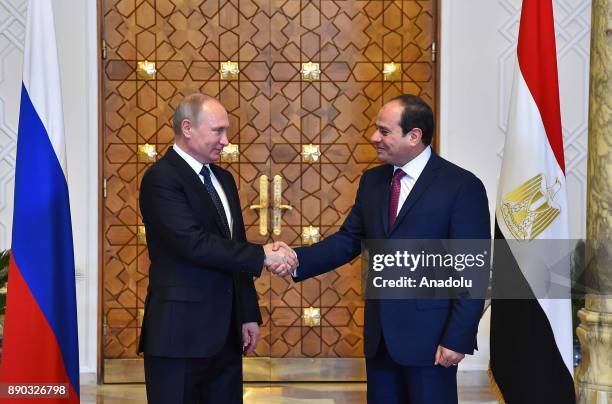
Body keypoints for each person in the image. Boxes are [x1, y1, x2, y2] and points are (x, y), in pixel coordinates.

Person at [273, 94, 491, 403]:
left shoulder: (461, 186)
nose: (374, 137)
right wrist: (296, 258)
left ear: (414, 136)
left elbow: (472, 269)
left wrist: (458, 337)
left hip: (431, 341)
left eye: (384, 131)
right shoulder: (373, 181)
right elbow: (348, 239)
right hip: (380, 340)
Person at [138, 93, 296, 404]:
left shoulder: (223, 178)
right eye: (218, 131)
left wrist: (247, 312)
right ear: (187, 128)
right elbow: (191, 243)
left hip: (225, 335)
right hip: (179, 334)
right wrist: (263, 254)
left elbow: (232, 246)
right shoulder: (161, 178)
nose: (226, 141)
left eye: (227, 131)